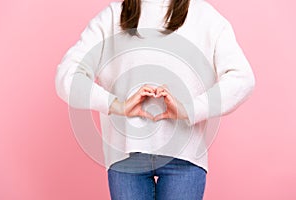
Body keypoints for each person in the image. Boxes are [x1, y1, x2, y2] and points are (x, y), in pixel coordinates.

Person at [55, 0, 256, 199]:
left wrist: (190, 109)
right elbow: (67, 75)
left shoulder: (205, 16)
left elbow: (242, 79)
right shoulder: (112, 16)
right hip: (125, 157)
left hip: (185, 158)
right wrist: (116, 105)